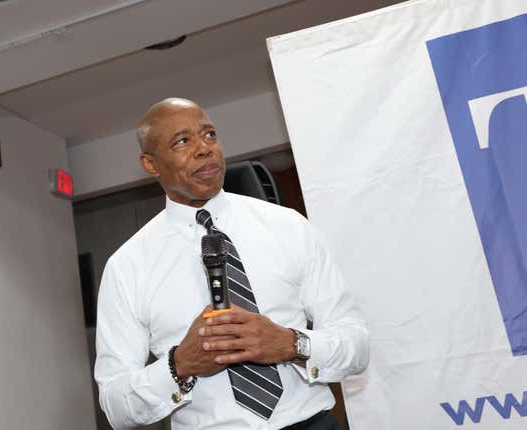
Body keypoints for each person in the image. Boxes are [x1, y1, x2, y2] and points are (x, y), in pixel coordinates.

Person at [94, 98, 369, 430]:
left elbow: (356, 345)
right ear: (150, 164)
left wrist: (291, 344)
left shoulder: (289, 227)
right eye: (183, 141)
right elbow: (115, 405)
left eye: (209, 135)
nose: (204, 148)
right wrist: (179, 365)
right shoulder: (127, 267)